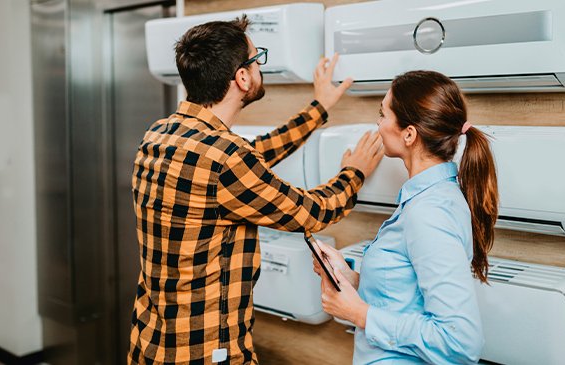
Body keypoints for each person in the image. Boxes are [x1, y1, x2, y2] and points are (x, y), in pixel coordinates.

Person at [128, 15, 384, 365]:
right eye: (256, 57)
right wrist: (353, 173)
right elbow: (311, 212)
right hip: (205, 352)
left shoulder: (160, 134)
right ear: (242, 77)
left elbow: (251, 155)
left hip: (150, 341)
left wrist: (318, 109)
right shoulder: (226, 158)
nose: (259, 64)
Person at [313, 70, 499, 364]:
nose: (378, 123)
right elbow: (406, 294)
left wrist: (360, 314)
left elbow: (460, 341)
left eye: (382, 114)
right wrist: (352, 279)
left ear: (409, 134)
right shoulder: (426, 199)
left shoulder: (429, 212)